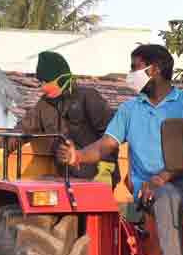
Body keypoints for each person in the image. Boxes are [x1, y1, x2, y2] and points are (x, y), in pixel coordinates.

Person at [60, 44, 183, 255]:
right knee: (166, 196)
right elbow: (106, 144)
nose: (130, 73)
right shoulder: (130, 109)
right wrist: (78, 157)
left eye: (134, 67)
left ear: (153, 70)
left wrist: (163, 177)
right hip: (153, 188)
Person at [13, 50, 115, 182]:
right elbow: (23, 128)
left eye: (45, 82)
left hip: (96, 177)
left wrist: (107, 168)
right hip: (66, 179)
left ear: (61, 80)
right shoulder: (44, 105)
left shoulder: (88, 97)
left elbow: (111, 135)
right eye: (40, 83)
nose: (42, 88)